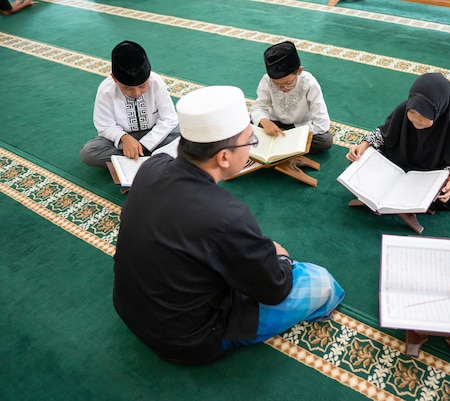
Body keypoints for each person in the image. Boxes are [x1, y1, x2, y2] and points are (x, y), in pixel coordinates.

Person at [112, 85, 344, 365]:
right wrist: (281, 259)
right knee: (322, 283)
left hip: (131, 311)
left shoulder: (152, 167)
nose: (252, 146)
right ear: (223, 156)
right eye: (251, 141)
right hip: (191, 338)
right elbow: (274, 289)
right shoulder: (227, 216)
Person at [347, 73, 450, 211]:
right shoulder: (403, 111)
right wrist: (363, 146)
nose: (416, 119)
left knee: (444, 192)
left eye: (424, 115)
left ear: (439, 110)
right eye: (413, 112)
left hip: (428, 174)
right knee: (359, 162)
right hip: (397, 164)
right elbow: (383, 134)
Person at [79, 40, 179, 168]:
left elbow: (169, 119)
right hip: (124, 140)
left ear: (148, 76)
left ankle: (131, 162)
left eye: (142, 86)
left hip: (156, 133)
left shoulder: (156, 83)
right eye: (128, 88)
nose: (136, 93)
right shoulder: (106, 90)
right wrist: (124, 138)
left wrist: (144, 145)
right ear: (114, 79)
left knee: (188, 133)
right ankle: (155, 160)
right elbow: (105, 126)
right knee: (88, 153)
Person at [250, 41, 333, 154]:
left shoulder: (309, 84)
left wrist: (297, 134)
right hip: (275, 123)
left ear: (299, 71)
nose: (283, 88)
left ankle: (277, 142)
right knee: (247, 123)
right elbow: (259, 107)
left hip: (300, 127)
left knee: (325, 141)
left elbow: (322, 122)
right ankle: (287, 144)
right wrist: (265, 121)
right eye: (277, 85)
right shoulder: (267, 80)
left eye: (288, 83)